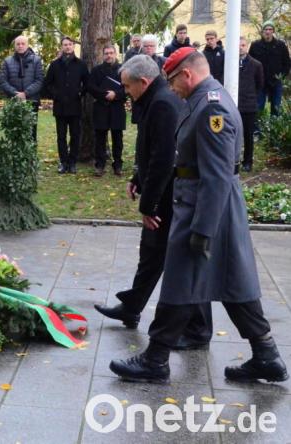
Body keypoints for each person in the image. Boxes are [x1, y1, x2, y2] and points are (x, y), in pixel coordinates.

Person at [110, 47, 288, 384]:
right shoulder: (207, 99)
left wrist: (203, 229)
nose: (172, 88)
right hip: (207, 206)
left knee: (180, 283)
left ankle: (155, 359)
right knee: (233, 284)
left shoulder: (211, 108)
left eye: (173, 81)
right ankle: (266, 355)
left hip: (206, 209)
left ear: (186, 75)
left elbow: (218, 174)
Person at [95, 54, 212, 349]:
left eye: (127, 86)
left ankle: (198, 328)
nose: (125, 92)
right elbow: (149, 148)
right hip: (163, 191)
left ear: (143, 82)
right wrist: (137, 175)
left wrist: (149, 204)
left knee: (181, 261)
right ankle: (132, 306)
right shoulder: (153, 99)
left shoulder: (162, 103)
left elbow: (163, 158)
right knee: (153, 255)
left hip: (168, 195)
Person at [44, 36, 89, 174]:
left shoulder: (81, 64)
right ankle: (63, 162)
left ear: (73, 46)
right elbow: (47, 84)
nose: (67, 47)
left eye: (70, 44)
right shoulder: (55, 64)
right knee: (61, 136)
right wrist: (55, 95)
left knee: (75, 135)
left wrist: (80, 93)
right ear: (61, 47)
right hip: (60, 107)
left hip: (75, 106)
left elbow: (87, 83)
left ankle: (72, 162)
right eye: (65, 44)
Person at [87, 44, 126, 176]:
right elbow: (91, 87)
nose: (109, 56)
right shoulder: (96, 70)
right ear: (103, 55)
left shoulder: (123, 70)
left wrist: (116, 95)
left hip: (117, 108)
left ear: (115, 54)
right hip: (101, 107)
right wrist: (105, 94)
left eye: (111, 53)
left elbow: (127, 88)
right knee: (100, 139)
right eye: (106, 53)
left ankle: (118, 165)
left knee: (117, 139)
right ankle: (100, 165)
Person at [0, 35, 45, 142]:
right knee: (15, 132)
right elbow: (3, 81)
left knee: (31, 132)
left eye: (23, 44)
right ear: (14, 46)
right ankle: (15, 158)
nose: (20, 46)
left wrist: (25, 93)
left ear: (28, 45)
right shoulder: (7, 61)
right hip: (13, 101)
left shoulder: (36, 60)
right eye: (18, 44)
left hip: (31, 100)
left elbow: (39, 80)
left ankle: (31, 157)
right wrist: (15, 94)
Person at [249, 21, 291, 116]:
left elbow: (287, 63)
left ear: (273, 31)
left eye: (270, 29)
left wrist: (281, 76)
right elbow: (250, 63)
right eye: (266, 29)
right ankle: (258, 130)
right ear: (262, 31)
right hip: (260, 81)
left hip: (276, 82)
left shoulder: (281, 45)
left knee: (276, 108)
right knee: (259, 107)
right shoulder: (255, 45)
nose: (268, 32)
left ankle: (274, 130)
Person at [238, 37, 264, 172]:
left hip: (249, 105)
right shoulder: (229, 63)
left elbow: (260, 84)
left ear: (246, 46)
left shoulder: (256, 64)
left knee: (248, 135)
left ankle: (248, 161)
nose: (240, 47)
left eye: (243, 45)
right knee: (233, 134)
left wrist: (251, 96)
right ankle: (233, 160)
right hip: (234, 105)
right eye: (238, 45)